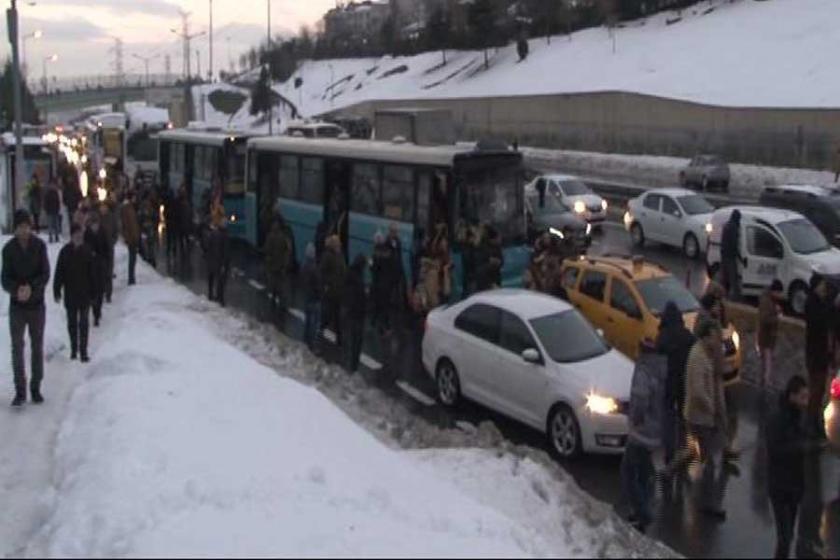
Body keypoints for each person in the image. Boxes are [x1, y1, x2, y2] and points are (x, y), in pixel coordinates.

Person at [766, 375, 817, 559]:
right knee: (785, 538)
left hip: (794, 486)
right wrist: (802, 447)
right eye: (803, 397)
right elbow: (777, 450)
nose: (806, 401)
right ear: (792, 396)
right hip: (780, 486)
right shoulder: (777, 419)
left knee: (788, 535)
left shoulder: (798, 417)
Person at [2, 210, 50, 406]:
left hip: (36, 304)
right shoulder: (8, 250)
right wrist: (16, 290)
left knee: (37, 346)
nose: (24, 230)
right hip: (17, 306)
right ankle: (20, 389)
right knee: (17, 348)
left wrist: (32, 288)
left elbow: (45, 273)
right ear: (15, 229)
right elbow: (4, 278)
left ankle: (36, 387)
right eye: (20, 227)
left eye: (26, 227)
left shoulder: (39, 247)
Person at [621, 339, 667, 533]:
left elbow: (641, 398)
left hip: (641, 434)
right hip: (657, 431)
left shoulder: (643, 371)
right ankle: (643, 510)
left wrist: (635, 419)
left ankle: (642, 513)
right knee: (646, 473)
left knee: (628, 473)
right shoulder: (663, 368)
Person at [684, 318, 728, 519]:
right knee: (708, 461)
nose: (717, 339)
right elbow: (698, 391)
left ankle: (702, 497)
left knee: (703, 457)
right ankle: (707, 503)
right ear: (706, 336)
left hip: (702, 416)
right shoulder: (698, 357)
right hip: (700, 417)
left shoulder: (704, 354)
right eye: (714, 335)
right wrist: (712, 409)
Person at [656, 301, 696, 470]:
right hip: (683, 381)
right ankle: (683, 447)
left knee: (667, 417)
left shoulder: (662, 337)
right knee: (682, 415)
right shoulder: (687, 336)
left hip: (667, 382)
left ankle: (669, 453)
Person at [54, 224, 96, 363]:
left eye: (80, 234)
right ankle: (73, 349)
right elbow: (59, 273)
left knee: (84, 324)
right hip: (70, 294)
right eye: (76, 234)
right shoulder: (64, 252)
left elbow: (93, 273)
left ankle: (83, 351)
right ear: (71, 236)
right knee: (72, 323)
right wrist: (57, 290)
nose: (79, 237)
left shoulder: (87, 251)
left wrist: (95, 292)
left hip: (85, 293)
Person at [805, 274, 832, 437]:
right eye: (822, 285)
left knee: (820, 388)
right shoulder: (812, 304)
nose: (824, 288)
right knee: (816, 388)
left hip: (820, 354)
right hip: (815, 354)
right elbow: (818, 322)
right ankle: (811, 421)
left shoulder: (820, 302)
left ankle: (814, 419)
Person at [320, 235, 346, 347]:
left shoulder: (339, 255)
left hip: (339, 290)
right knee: (330, 314)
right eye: (337, 243)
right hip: (331, 290)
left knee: (337, 316)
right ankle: (321, 329)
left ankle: (339, 339)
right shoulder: (328, 256)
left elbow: (343, 269)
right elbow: (322, 271)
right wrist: (327, 284)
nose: (339, 245)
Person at [757, 280, 784, 389]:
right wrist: (777, 317)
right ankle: (765, 384)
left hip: (768, 338)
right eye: (779, 292)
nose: (780, 295)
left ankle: (765, 383)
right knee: (767, 364)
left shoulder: (770, 300)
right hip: (766, 338)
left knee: (767, 363)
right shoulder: (766, 302)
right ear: (774, 291)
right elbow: (764, 319)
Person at [84, 215, 110, 327]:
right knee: (93, 290)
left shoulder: (103, 233)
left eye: (96, 225)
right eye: (93, 225)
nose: (95, 227)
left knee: (100, 291)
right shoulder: (87, 234)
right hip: (91, 266)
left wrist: (106, 261)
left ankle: (97, 313)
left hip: (101, 265)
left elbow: (107, 248)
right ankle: (94, 310)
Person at [344, 254, 368, 372]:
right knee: (356, 341)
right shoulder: (357, 278)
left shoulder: (351, 274)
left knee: (353, 340)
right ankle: (353, 366)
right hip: (357, 313)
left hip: (353, 312)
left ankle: (352, 364)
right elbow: (357, 296)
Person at [264, 218, 291, 312]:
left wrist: (268, 262)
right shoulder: (283, 237)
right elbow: (288, 250)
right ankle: (282, 303)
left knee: (274, 283)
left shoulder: (270, 237)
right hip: (281, 265)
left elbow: (267, 250)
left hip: (272, 265)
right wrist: (285, 263)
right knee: (281, 284)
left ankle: (273, 299)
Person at [203, 216, 231, 306]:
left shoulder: (214, 233)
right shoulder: (224, 236)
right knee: (221, 281)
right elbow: (225, 251)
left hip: (212, 260)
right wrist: (225, 263)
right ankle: (220, 299)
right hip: (220, 261)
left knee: (212, 277)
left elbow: (207, 246)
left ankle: (211, 295)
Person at [300, 243, 321, 352]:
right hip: (314, 297)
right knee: (314, 322)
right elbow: (318, 284)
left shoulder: (304, 265)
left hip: (307, 295)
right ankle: (312, 344)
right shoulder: (314, 268)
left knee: (308, 319)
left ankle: (305, 340)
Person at [720, 209, 744, 301]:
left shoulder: (726, 225)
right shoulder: (734, 227)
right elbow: (734, 244)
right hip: (730, 256)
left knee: (724, 277)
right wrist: (739, 257)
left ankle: (723, 295)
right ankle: (735, 298)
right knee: (733, 278)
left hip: (724, 254)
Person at [99, 200, 118, 303]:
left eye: (104, 207)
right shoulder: (97, 218)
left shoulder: (111, 218)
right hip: (100, 249)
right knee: (101, 272)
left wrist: (113, 241)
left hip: (109, 248)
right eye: (101, 207)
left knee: (109, 272)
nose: (103, 209)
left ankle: (108, 294)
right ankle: (101, 292)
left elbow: (115, 230)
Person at [121, 191, 141, 286]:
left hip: (132, 236)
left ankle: (132, 277)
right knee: (132, 258)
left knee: (133, 258)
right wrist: (130, 237)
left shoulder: (130, 208)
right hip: (131, 237)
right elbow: (129, 225)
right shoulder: (128, 209)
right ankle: (131, 278)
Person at [474, 226, 504, 291]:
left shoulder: (497, 248)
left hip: (496, 280)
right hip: (486, 283)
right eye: (498, 238)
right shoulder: (483, 248)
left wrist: (497, 261)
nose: (500, 240)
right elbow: (480, 268)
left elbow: (501, 261)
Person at [44, 179, 62, 243]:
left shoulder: (56, 193)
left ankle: (56, 236)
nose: (53, 186)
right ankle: (51, 236)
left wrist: (58, 208)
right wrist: (46, 209)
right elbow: (45, 202)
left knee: (56, 224)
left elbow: (58, 202)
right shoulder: (48, 193)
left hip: (55, 210)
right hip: (49, 211)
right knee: (50, 225)